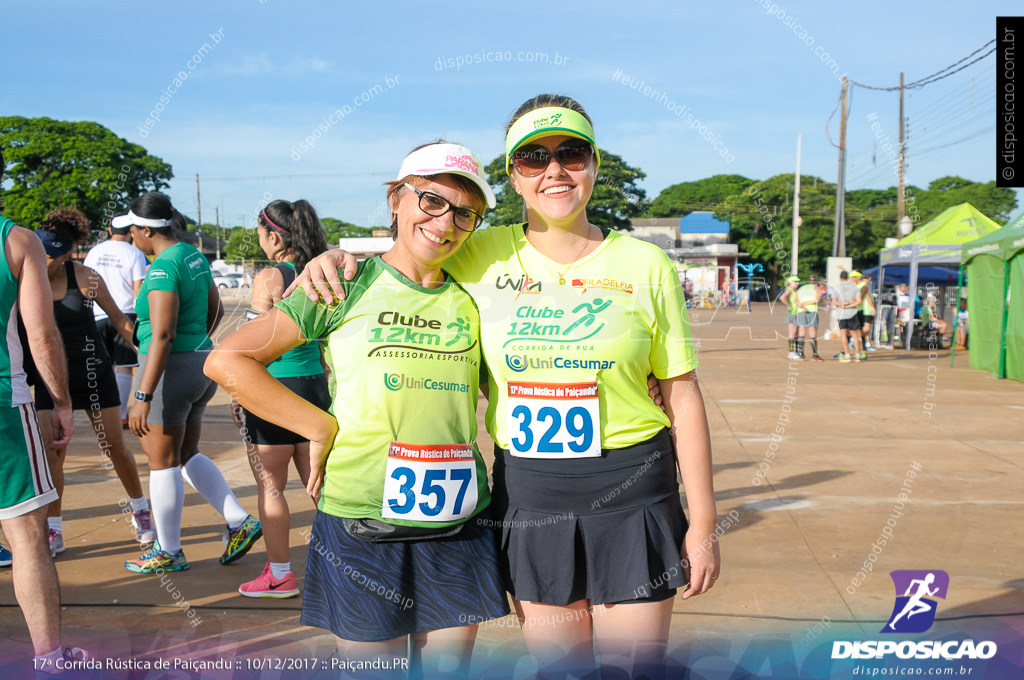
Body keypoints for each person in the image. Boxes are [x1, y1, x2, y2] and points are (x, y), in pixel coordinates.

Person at [293, 96, 721, 677]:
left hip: (632, 490)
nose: (555, 170)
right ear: (513, 176)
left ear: (595, 164)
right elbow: (411, 249)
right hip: (530, 491)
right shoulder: (480, 252)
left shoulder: (648, 265)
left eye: (571, 153)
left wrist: (702, 524)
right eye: (532, 157)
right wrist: (335, 258)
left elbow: (683, 393)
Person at [206, 142, 509, 677]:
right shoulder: (343, 282)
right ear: (396, 198)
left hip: (457, 522)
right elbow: (229, 360)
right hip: (361, 522)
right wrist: (315, 424)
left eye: (466, 212)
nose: (447, 222)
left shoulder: (476, 296)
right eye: (433, 201)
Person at [122, 192, 261, 574]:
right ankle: (239, 520)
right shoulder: (194, 256)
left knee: (162, 463)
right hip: (201, 365)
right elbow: (214, 306)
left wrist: (142, 395)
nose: (131, 235)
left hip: (168, 370)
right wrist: (199, 341)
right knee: (186, 455)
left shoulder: (163, 266)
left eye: (133, 229)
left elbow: (162, 335)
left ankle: (168, 551)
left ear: (147, 229)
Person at [0, 146, 89, 669]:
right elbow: (41, 334)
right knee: (28, 534)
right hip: (4, 408)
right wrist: (60, 400)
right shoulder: (17, 241)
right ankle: (50, 659)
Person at [29, 208, 153, 556]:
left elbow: (121, 322)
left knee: (114, 446)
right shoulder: (28, 276)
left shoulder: (86, 277)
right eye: (41, 252)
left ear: (67, 253)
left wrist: (154, 355)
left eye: (52, 255)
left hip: (92, 372)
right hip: (51, 379)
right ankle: (54, 530)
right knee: (54, 454)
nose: (45, 260)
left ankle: (141, 510)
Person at [232, 199, 331, 598]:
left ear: (273, 235)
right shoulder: (320, 270)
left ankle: (280, 575)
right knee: (323, 485)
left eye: (260, 234)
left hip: (275, 388)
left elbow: (260, 346)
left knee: (271, 486)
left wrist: (243, 394)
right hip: (315, 387)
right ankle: (342, 567)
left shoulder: (270, 277)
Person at [83, 214, 150, 426]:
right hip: (125, 315)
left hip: (97, 313)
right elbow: (138, 290)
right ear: (131, 231)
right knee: (124, 365)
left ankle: (102, 414)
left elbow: (85, 281)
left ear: (110, 231)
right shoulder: (134, 253)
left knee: (102, 366)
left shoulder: (95, 252)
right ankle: (121, 415)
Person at [833, 270, 863, 362]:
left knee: (843, 334)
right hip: (852, 313)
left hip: (841, 313)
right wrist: (849, 304)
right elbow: (858, 301)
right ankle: (857, 355)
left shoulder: (836, 287)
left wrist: (843, 305)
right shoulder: (854, 287)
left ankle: (847, 355)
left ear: (840, 277)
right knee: (854, 334)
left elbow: (834, 302)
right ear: (848, 277)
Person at [794, 278, 822, 361]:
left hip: (801, 311)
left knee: (801, 331)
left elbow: (796, 300)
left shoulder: (801, 288)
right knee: (812, 332)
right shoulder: (816, 288)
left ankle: (801, 354)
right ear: (816, 283)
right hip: (812, 311)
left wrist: (801, 305)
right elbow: (818, 299)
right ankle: (815, 354)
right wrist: (806, 304)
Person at [851, 271, 875, 355]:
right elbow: (864, 298)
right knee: (862, 329)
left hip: (862, 309)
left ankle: (864, 347)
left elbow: (866, 297)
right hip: (859, 310)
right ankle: (856, 341)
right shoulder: (856, 286)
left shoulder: (863, 286)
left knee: (864, 329)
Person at [779, 276, 800, 359]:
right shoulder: (790, 289)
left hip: (797, 313)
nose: (797, 283)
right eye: (795, 281)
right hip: (792, 313)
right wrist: (789, 305)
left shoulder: (795, 290)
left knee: (797, 333)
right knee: (793, 332)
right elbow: (782, 298)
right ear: (790, 282)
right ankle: (791, 352)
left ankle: (796, 351)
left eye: (798, 282)